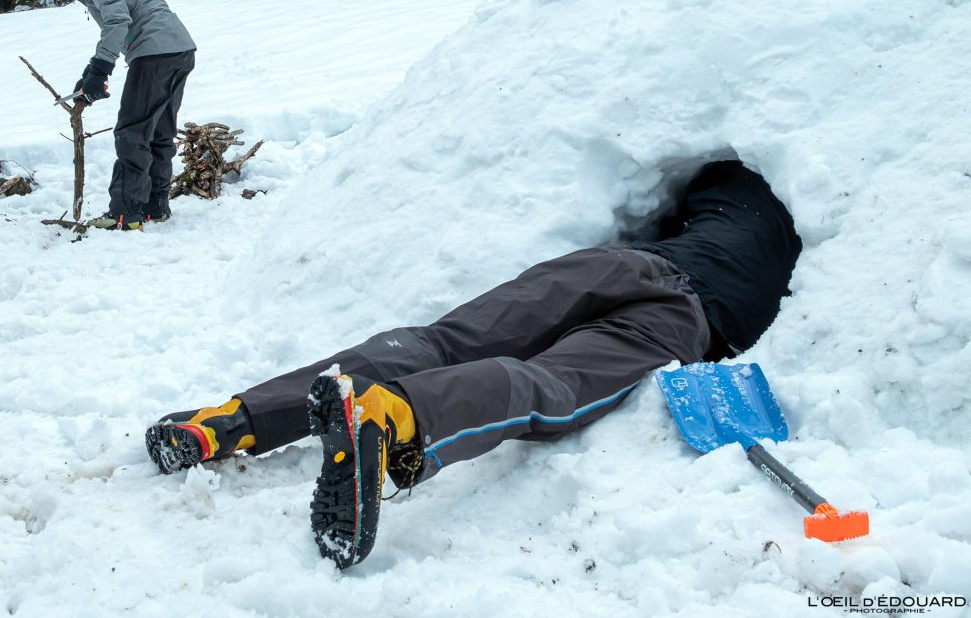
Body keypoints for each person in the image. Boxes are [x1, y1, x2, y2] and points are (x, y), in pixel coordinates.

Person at [145, 159, 802, 569]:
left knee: (441, 342)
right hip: (682, 320)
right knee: (552, 384)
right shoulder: (795, 230)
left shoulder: (722, 184)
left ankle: (226, 421)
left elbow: (656, 195)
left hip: (618, 264)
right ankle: (392, 417)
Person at [45, 0, 197, 230]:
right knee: (158, 132)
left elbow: (117, 21)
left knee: (132, 133)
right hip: (178, 50)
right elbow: (118, 26)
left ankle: (125, 214)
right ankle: (155, 207)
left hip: (153, 52)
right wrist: (90, 74)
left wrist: (101, 70)